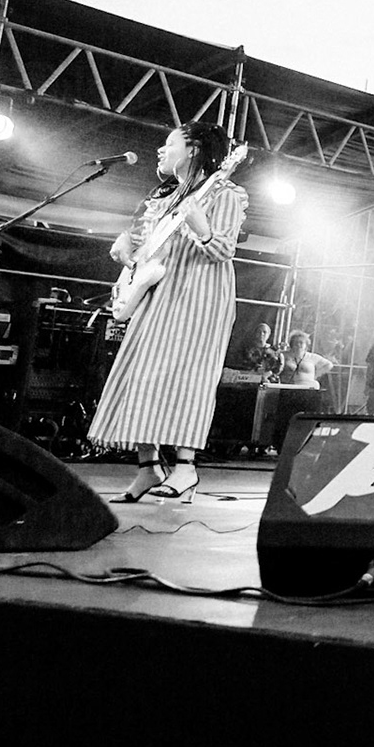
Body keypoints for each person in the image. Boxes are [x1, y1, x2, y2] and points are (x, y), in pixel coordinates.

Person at [88, 120, 248, 504]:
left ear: (193, 149)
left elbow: (223, 250)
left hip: (199, 291)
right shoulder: (165, 198)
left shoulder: (224, 194)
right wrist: (126, 248)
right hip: (159, 291)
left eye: (169, 143)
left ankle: (186, 467)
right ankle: (148, 467)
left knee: (185, 375)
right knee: (139, 373)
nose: (161, 150)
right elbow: (146, 247)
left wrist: (202, 227)